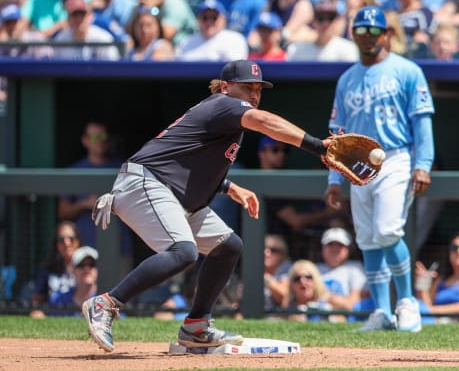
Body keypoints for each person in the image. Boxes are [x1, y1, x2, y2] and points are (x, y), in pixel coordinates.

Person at [80, 59, 333, 353]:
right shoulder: (224, 104)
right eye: (247, 87)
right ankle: (105, 304)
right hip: (146, 183)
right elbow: (267, 123)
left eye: (258, 89)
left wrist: (229, 186)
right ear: (226, 87)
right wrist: (318, 147)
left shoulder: (223, 117)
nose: (253, 94)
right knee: (183, 251)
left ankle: (196, 326)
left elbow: (185, 160)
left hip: (170, 190)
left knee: (228, 246)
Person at [324, 5, 435, 333]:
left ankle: (406, 303)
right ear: (353, 34)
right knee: (369, 239)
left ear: (387, 34)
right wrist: (334, 178)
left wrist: (424, 164)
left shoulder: (407, 70)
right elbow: (337, 134)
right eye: (361, 30)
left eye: (374, 31)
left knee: (387, 230)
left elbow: (422, 121)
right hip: (356, 165)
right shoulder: (346, 78)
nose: (368, 36)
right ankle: (382, 312)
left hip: (395, 157)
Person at [57, 120, 125, 250]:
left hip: (119, 245)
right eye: (95, 137)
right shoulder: (75, 171)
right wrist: (85, 203)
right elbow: (62, 211)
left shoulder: (122, 168)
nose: (100, 141)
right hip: (86, 246)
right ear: (85, 141)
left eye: (103, 137)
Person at [30, 221, 81, 318]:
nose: (66, 243)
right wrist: (37, 312)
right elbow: (37, 301)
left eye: (71, 238)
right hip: (54, 315)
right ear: (56, 244)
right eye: (61, 240)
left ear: (78, 241)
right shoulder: (47, 270)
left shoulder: (88, 268)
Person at [176, 0, 249, 61]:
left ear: (224, 20)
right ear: (198, 20)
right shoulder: (187, 41)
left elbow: (237, 69)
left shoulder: (235, 39)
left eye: (214, 18)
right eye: (205, 18)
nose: (209, 22)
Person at [316, 227, 367, 312]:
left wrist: (329, 299)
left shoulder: (355, 268)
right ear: (323, 248)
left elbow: (352, 304)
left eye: (340, 245)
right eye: (330, 244)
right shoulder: (314, 268)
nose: (335, 249)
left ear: (348, 249)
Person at [263, 233, 292, 312]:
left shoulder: (288, 269)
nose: (266, 253)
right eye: (263, 248)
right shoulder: (251, 268)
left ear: (282, 254)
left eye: (273, 250)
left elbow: (285, 297)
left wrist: (266, 278)